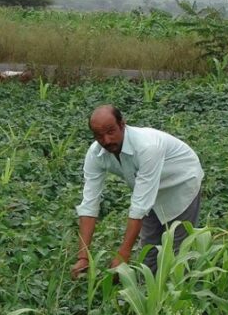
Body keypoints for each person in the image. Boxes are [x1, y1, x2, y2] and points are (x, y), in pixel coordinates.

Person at [71, 105, 204, 279]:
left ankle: (176, 296)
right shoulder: (96, 154)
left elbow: (140, 206)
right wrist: (83, 256)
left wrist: (123, 255)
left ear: (122, 124)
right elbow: (89, 204)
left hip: (181, 184)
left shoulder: (147, 147)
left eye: (111, 131)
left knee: (176, 252)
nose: (106, 140)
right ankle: (146, 295)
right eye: (98, 135)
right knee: (149, 250)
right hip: (149, 190)